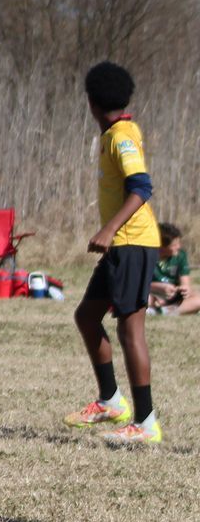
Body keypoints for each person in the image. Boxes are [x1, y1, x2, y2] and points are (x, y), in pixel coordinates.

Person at [65, 62, 162, 444]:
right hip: (123, 245)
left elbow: (141, 186)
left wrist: (108, 228)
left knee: (129, 329)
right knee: (87, 316)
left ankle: (146, 421)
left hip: (133, 242)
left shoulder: (122, 135)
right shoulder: (112, 134)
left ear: (90, 103)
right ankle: (110, 401)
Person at [149, 224, 196, 316]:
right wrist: (158, 287)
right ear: (162, 246)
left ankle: (167, 311)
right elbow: (137, 283)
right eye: (174, 245)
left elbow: (185, 283)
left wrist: (184, 289)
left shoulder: (181, 255)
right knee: (144, 298)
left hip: (174, 295)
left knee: (197, 298)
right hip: (152, 293)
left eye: (179, 243)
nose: (178, 247)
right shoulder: (148, 256)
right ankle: (154, 309)